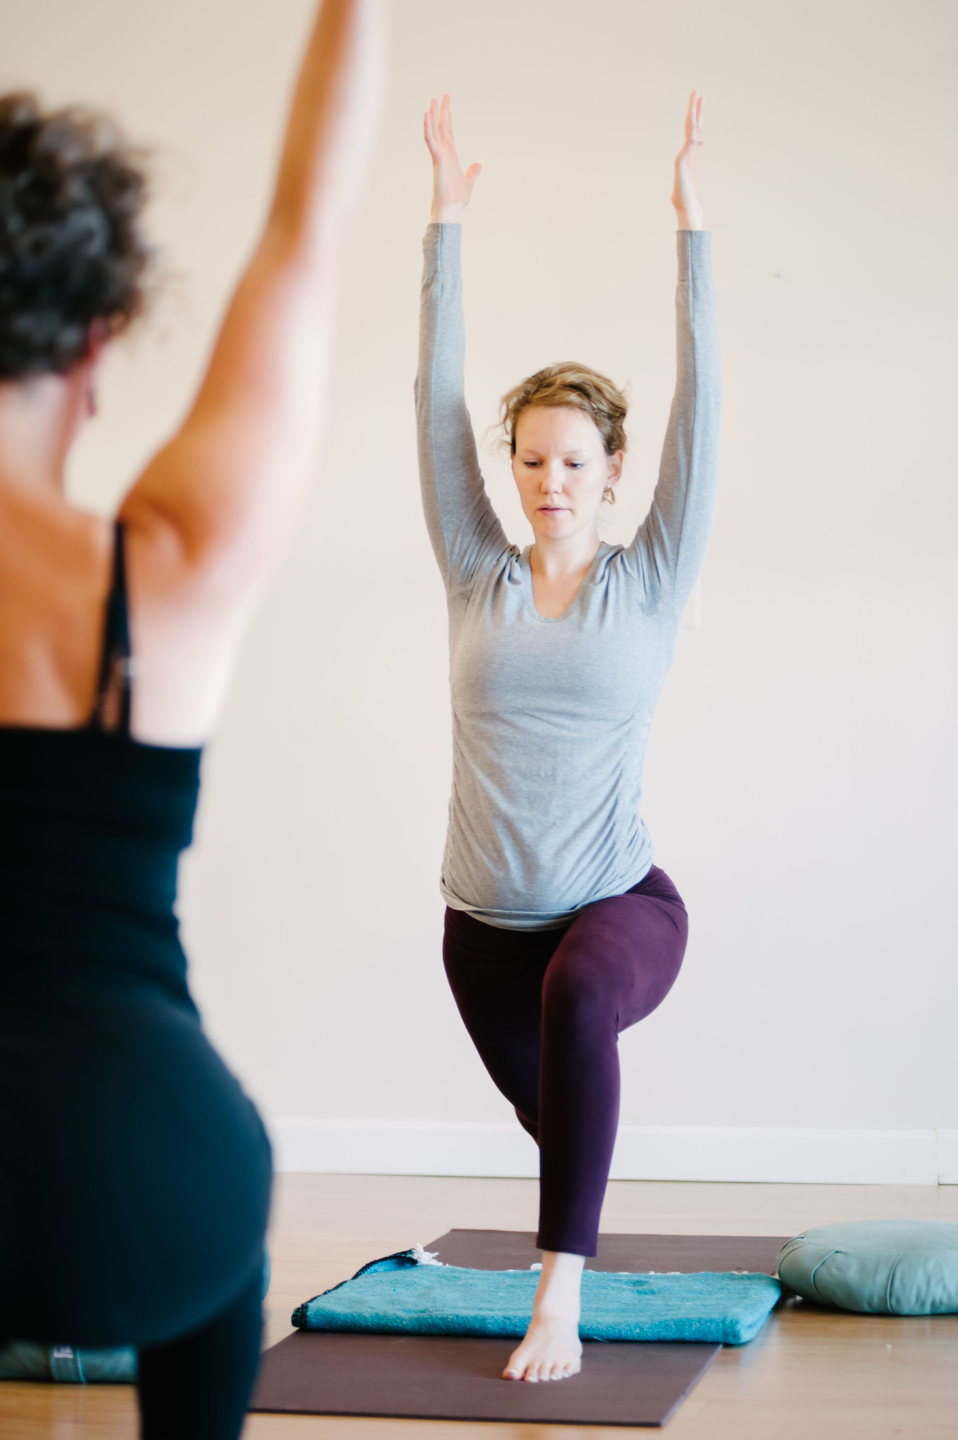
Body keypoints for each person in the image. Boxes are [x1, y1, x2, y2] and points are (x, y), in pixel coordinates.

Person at [0, 2, 383, 1435]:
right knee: (211, 1228)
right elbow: (305, 230)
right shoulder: (162, 572)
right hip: (141, 1176)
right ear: (98, 340)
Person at [417, 91, 719, 1383]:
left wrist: (692, 230)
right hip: (481, 935)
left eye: (576, 464)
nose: (551, 483)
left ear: (612, 472)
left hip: (616, 903)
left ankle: (559, 1302)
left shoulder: (648, 576)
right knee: (562, 1132)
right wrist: (444, 222)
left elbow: (707, 402)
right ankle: (580, 1242)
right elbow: (431, 397)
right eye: (533, 461)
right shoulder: (473, 568)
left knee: (582, 996)